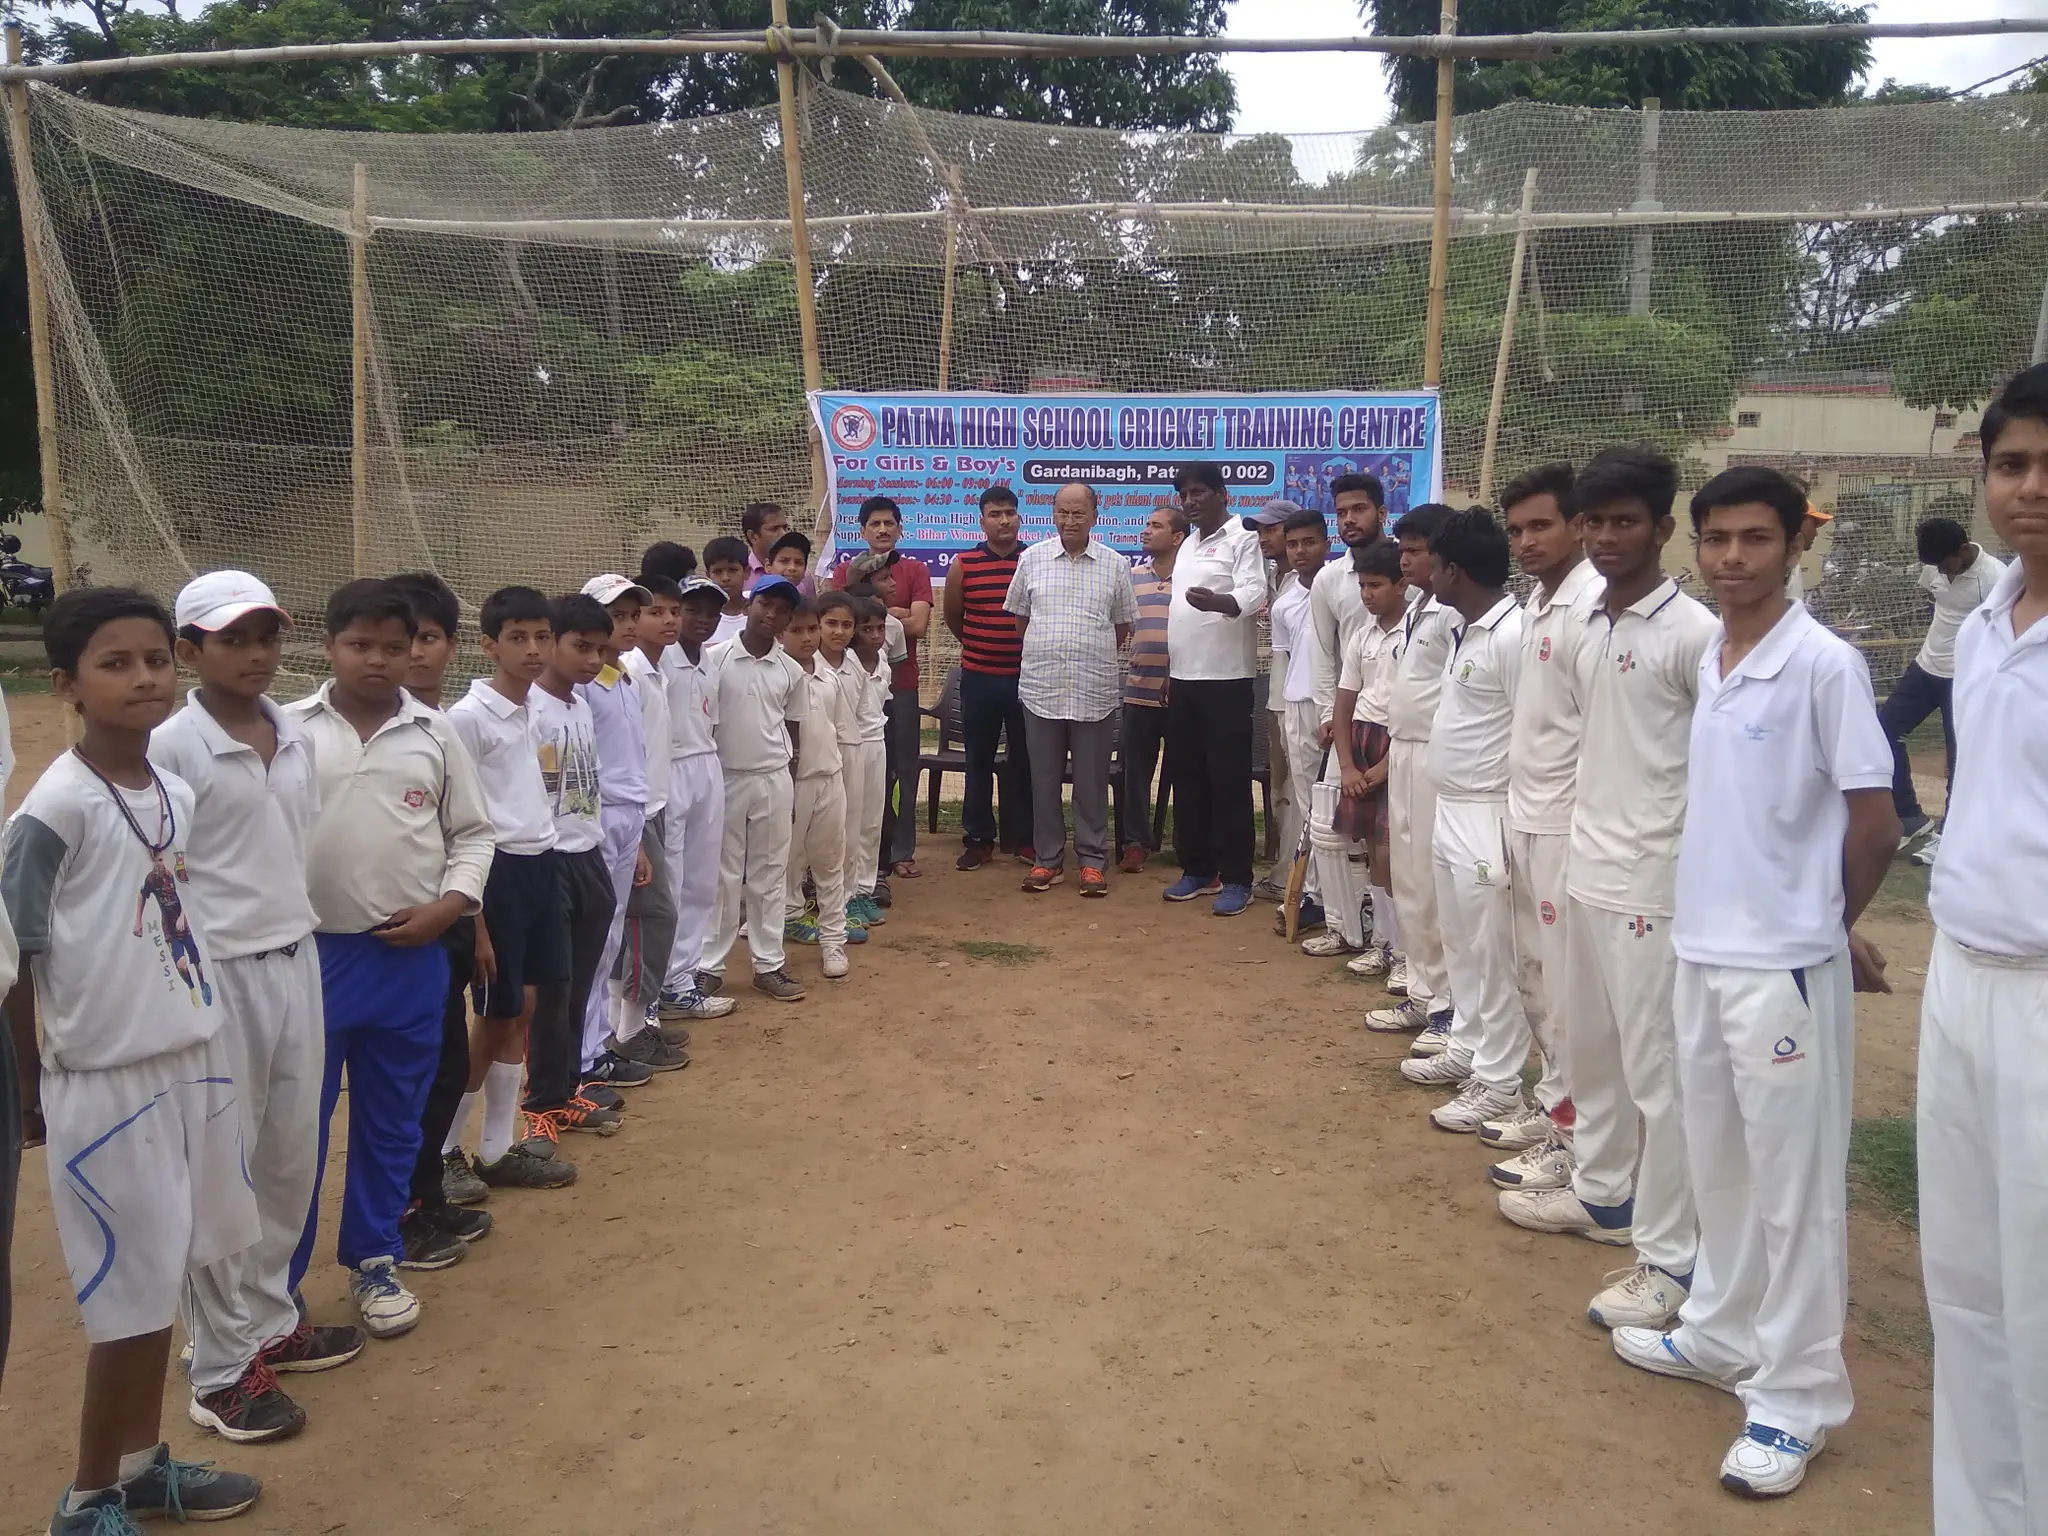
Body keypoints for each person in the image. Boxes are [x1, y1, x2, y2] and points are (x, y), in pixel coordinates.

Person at [1610, 464, 1899, 1500]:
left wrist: (1821, 932)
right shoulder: (1718, 658)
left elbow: (1874, 822)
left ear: (1792, 547)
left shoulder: (1821, 665)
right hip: (1701, 951)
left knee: (1795, 1191)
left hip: (1778, 967)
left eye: (1755, 541)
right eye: (1717, 540)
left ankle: (1797, 1398)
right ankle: (1721, 1333)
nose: (1731, 559)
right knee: (1717, 1162)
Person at [4, 587, 265, 1531]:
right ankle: (86, 1497)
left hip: (187, 1061)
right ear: (66, 684)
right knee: (126, 1303)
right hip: (104, 1084)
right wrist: (30, 1091)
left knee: (169, 1280)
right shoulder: (54, 811)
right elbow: (14, 958)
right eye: (117, 664)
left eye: (156, 658)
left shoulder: (173, 791)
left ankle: (143, 1462)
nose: (145, 677)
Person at [1498, 448, 1718, 1335]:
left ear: (1664, 529)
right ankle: (1603, 1193)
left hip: (1654, 885)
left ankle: (1671, 1260)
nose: (1605, 537)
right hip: (1585, 863)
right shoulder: (1593, 624)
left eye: (1625, 521)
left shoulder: (1694, 636)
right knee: (1588, 1046)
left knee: (1658, 1073)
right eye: (1594, 522)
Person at [149, 571, 359, 1445]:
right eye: (233, 639)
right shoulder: (172, 747)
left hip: (294, 956)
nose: (256, 655)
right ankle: (218, 1367)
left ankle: (270, 1319)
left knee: (286, 1155)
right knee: (221, 1169)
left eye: (267, 636)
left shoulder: (292, 734)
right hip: (217, 974)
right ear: (189, 651)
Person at [286, 579, 496, 1339]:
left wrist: (449, 907)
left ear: (416, 651)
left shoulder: (435, 734)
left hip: (409, 960)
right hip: (310, 960)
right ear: (329, 646)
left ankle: (375, 1257)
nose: (376, 660)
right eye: (358, 645)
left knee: (393, 1122)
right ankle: (274, 1291)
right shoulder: (286, 732)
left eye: (392, 646)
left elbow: (474, 834)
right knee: (293, 1133)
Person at [1917, 363, 2048, 1533]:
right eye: (2011, 464)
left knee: (2040, 1295)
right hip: (1959, 969)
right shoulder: (1992, 610)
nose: (2030, 488)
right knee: (1961, 1284)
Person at [1393, 508, 1531, 1135]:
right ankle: (1469, 1046)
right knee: (1460, 941)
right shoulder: (1464, 629)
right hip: (1451, 804)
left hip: (1488, 810)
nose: (1419, 571)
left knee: (1490, 948)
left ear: (1454, 570)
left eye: (1432, 562)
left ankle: (1500, 1081)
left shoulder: (1512, 636)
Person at [444, 588, 582, 1192]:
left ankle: (497, 1150)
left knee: (521, 1009)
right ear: (487, 644)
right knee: (494, 1014)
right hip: (493, 875)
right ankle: (446, 1149)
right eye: (518, 638)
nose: (532, 650)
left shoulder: (531, 712)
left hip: (538, 864)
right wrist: (473, 914)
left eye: (541, 638)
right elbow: (457, 825)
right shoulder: (467, 720)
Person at [382, 572, 500, 1235]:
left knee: (447, 1065)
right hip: (394, 934)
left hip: (450, 921)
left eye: (427, 638)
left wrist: (476, 924)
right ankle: (400, 1206)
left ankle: (426, 1195)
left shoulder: (443, 729)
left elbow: (468, 837)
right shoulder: (346, 730)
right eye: (404, 640)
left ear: (450, 646)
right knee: (405, 1079)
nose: (415, 653)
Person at [1492, 464, 1597, 1157]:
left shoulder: (1592, 608)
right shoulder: (1534, 602)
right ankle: (1553, 1102)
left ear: (1577, 526)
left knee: (1568, 992)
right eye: (1517, 530)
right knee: (1533, 974)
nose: (1527, 541)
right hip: (1523, 815)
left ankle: (1578, 1137)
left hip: (1569, 827)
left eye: (1541, 526)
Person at [529, 594, 635, 1115]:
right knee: (551, 987)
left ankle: (569, 1086)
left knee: (580, 982)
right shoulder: (530, 708)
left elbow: (584, 786)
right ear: (551, 643)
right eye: (580, 647)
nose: (592, 660)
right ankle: (542, 1098)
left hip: (588, 851)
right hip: (548, 860)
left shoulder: (579, 704)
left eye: (599, 649)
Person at [574, 581, 685, 1076]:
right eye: (615, 616)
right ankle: (591, 1052)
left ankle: (611, 1040)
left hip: (632, 816)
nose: (627, 624)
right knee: (600, 940)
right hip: (598, 821)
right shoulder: (582, 686)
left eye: (629, 615)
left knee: (614, 936)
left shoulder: (623, 680)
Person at [1005, 483, 1137, 896]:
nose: (1070, 521)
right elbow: (1020, 621)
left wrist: (1085, 651)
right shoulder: (1032, 559)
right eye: (1063, 512)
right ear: (1053, 514)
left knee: (1091, 781)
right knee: (1042, 779)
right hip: (1041, 688)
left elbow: (1121, 627)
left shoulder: (1115, 565)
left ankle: (1092, 861)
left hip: (1093, 689)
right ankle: (1047, 861)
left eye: (1078, 513)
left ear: (1095, 515)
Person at [1364, 504, 1458, 1037]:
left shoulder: (1454, 613)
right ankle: (1424, 993)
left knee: (1430, 877)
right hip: (1402, 748)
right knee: (1409, 876)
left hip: (1432, 755)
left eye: (1415, 552)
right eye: (1402, 551)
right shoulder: (1420, 605)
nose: (1405, 561)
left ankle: (1448, 1005)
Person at [1160, 462, 1267, 916]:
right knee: (1187, 778)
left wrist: (1221, 602)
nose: (1190, 500)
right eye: (1184, 494)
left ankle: (1238, 876)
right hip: (1183, 679)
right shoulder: (1186, 544)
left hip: (1226, 681)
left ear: (1223, 494)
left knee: (1227, 781)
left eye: (1199, 492)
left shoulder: (1243, 537)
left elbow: (1255, 593)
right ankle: (1198, 869)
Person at [702, 575, 809, 1002]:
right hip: (725, 776)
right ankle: (709, 966)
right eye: (765, 603)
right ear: (749, 605)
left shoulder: (791, 669)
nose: (771, 614)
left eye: (782, 610)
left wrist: (791, 783)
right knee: (723, 876)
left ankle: (769, 964)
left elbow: (793, 728)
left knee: (769, 873)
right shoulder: (716, 659)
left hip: (773, 778)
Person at [1878, 514, 2006, 861]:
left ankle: (1949, 836)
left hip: (1965, 677)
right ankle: (1909, 817)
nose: (1944, 573)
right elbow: (1934, 603)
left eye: (1948, 565)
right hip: (1925, 668)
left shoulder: (1994, 577)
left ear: (1964, 549)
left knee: (1959, 757)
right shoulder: (1934, 566)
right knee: (1881, 731)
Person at [1301, 472, 1388, 951]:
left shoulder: (1405, 570)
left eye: (1359, 509)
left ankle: (1385, 933)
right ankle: (1343, 927)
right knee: (1329, 829)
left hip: (1397, 722)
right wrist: (1326, 717)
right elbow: (1322, 655)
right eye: (1342, 512)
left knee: (1385, 836)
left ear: (1381, 512)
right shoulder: (1331, 579)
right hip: (1346, 720)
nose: (1350, 520)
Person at [833, 495, 934, 884]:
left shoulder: (915, 569)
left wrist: (878, 613)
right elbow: (842, 621)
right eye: (874, 523)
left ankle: (901, 851)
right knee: (856, 770)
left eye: (889, 523)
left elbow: (919, 627)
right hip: (853, 690)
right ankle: (860, 856)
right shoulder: (847, 570)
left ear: (900, 528)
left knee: (903, 769)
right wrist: (897, 612)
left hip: (902, 686)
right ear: (862, 530)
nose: (882, 529)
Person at [660, 575, 738, 1019]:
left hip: (706, 766)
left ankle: (681, 980)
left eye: (711, 613)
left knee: (701, 880)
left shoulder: (710, 662)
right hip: (669, 771)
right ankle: (651, 986)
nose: (703, 620)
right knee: (668, 883)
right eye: (693, 611)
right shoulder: (653, 661)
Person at [1330, 538, 1407, 981]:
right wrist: (1347, 766)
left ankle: (1404, 953)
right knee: (1369, 853)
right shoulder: (1362, 635)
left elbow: (1421, 714)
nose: (1367, 594)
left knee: (1391, 851)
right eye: (1362, 585)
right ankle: (1382, 942)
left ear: (1402, 584)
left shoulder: (1417, 631)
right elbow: (1344, 703)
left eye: (1376, 585)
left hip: (1398, 747)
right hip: (1360, 743)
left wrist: (1382, 769)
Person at [945, 483, 1034, 869]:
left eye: (1009, 513)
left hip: (1027, 679)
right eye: (995, 514)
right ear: (982, 521)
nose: (1003, 520)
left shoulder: (1035, 560)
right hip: (979, 677)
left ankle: (1025, 838)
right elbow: (954, 617)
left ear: (1019, 518)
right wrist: (982, 646)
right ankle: (979, 838)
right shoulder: (963, 564)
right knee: (977, 759)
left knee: (1026, 760)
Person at [780, 602, 856, 979]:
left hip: (829, 779)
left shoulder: (830, 678)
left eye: (812, 629)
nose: (808, 637)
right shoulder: (778, 676)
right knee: (782, 865)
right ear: (781, 633)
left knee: (830, 864)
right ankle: (772, 947)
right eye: (797, 630)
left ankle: (833, 941)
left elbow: (842, 731)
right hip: (790, 785)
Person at [1265, 506, 1327, 935]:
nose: (1300, 551)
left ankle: (1343, 897)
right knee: (1308, 804)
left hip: (1337, 709)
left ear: (1326, 543)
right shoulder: (1285, 602)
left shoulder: (1342, 585)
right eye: (1293, 544)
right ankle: (1313, 895)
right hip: (1296, 707)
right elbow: (1287, 661)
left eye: (1309, 542)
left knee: (1335, 808)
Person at [1118, 502, 1183, 874]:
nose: (1146, 531)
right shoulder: (1132, 576)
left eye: (1156, 526)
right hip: (1138, 692)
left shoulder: (1192, 577)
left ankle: (1185, 844)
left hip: (1182, 696)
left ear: (1177, 537)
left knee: (1186, 771)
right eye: (1146, 524)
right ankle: (1135, 843)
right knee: (1135, 773)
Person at [1243, 500, 1298, 903]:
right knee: (1282, 787)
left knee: (1299, 789)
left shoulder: (1314, 581)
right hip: (1277, 695)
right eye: (1259, 531)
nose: (1264, 538)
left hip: (1304, 700)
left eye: (1271, 530)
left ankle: (1295, 880)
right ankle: (1285, 873)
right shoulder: (1274, 575)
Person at [843, 594, 894, 929]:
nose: (875, 636)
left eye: (880, 629)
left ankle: (864, 889)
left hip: (877, 745)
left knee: (872, 822)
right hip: (851, 748)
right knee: (849, 824)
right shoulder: (844, 665)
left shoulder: (884, 662)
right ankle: (843, 897)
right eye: (867, 629)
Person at [702, 536, 751, 645]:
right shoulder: (702, 620)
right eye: (717, 571)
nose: (725, 578)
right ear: (708, 575)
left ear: (747, 572)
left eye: (733, 570)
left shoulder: (757, 611)